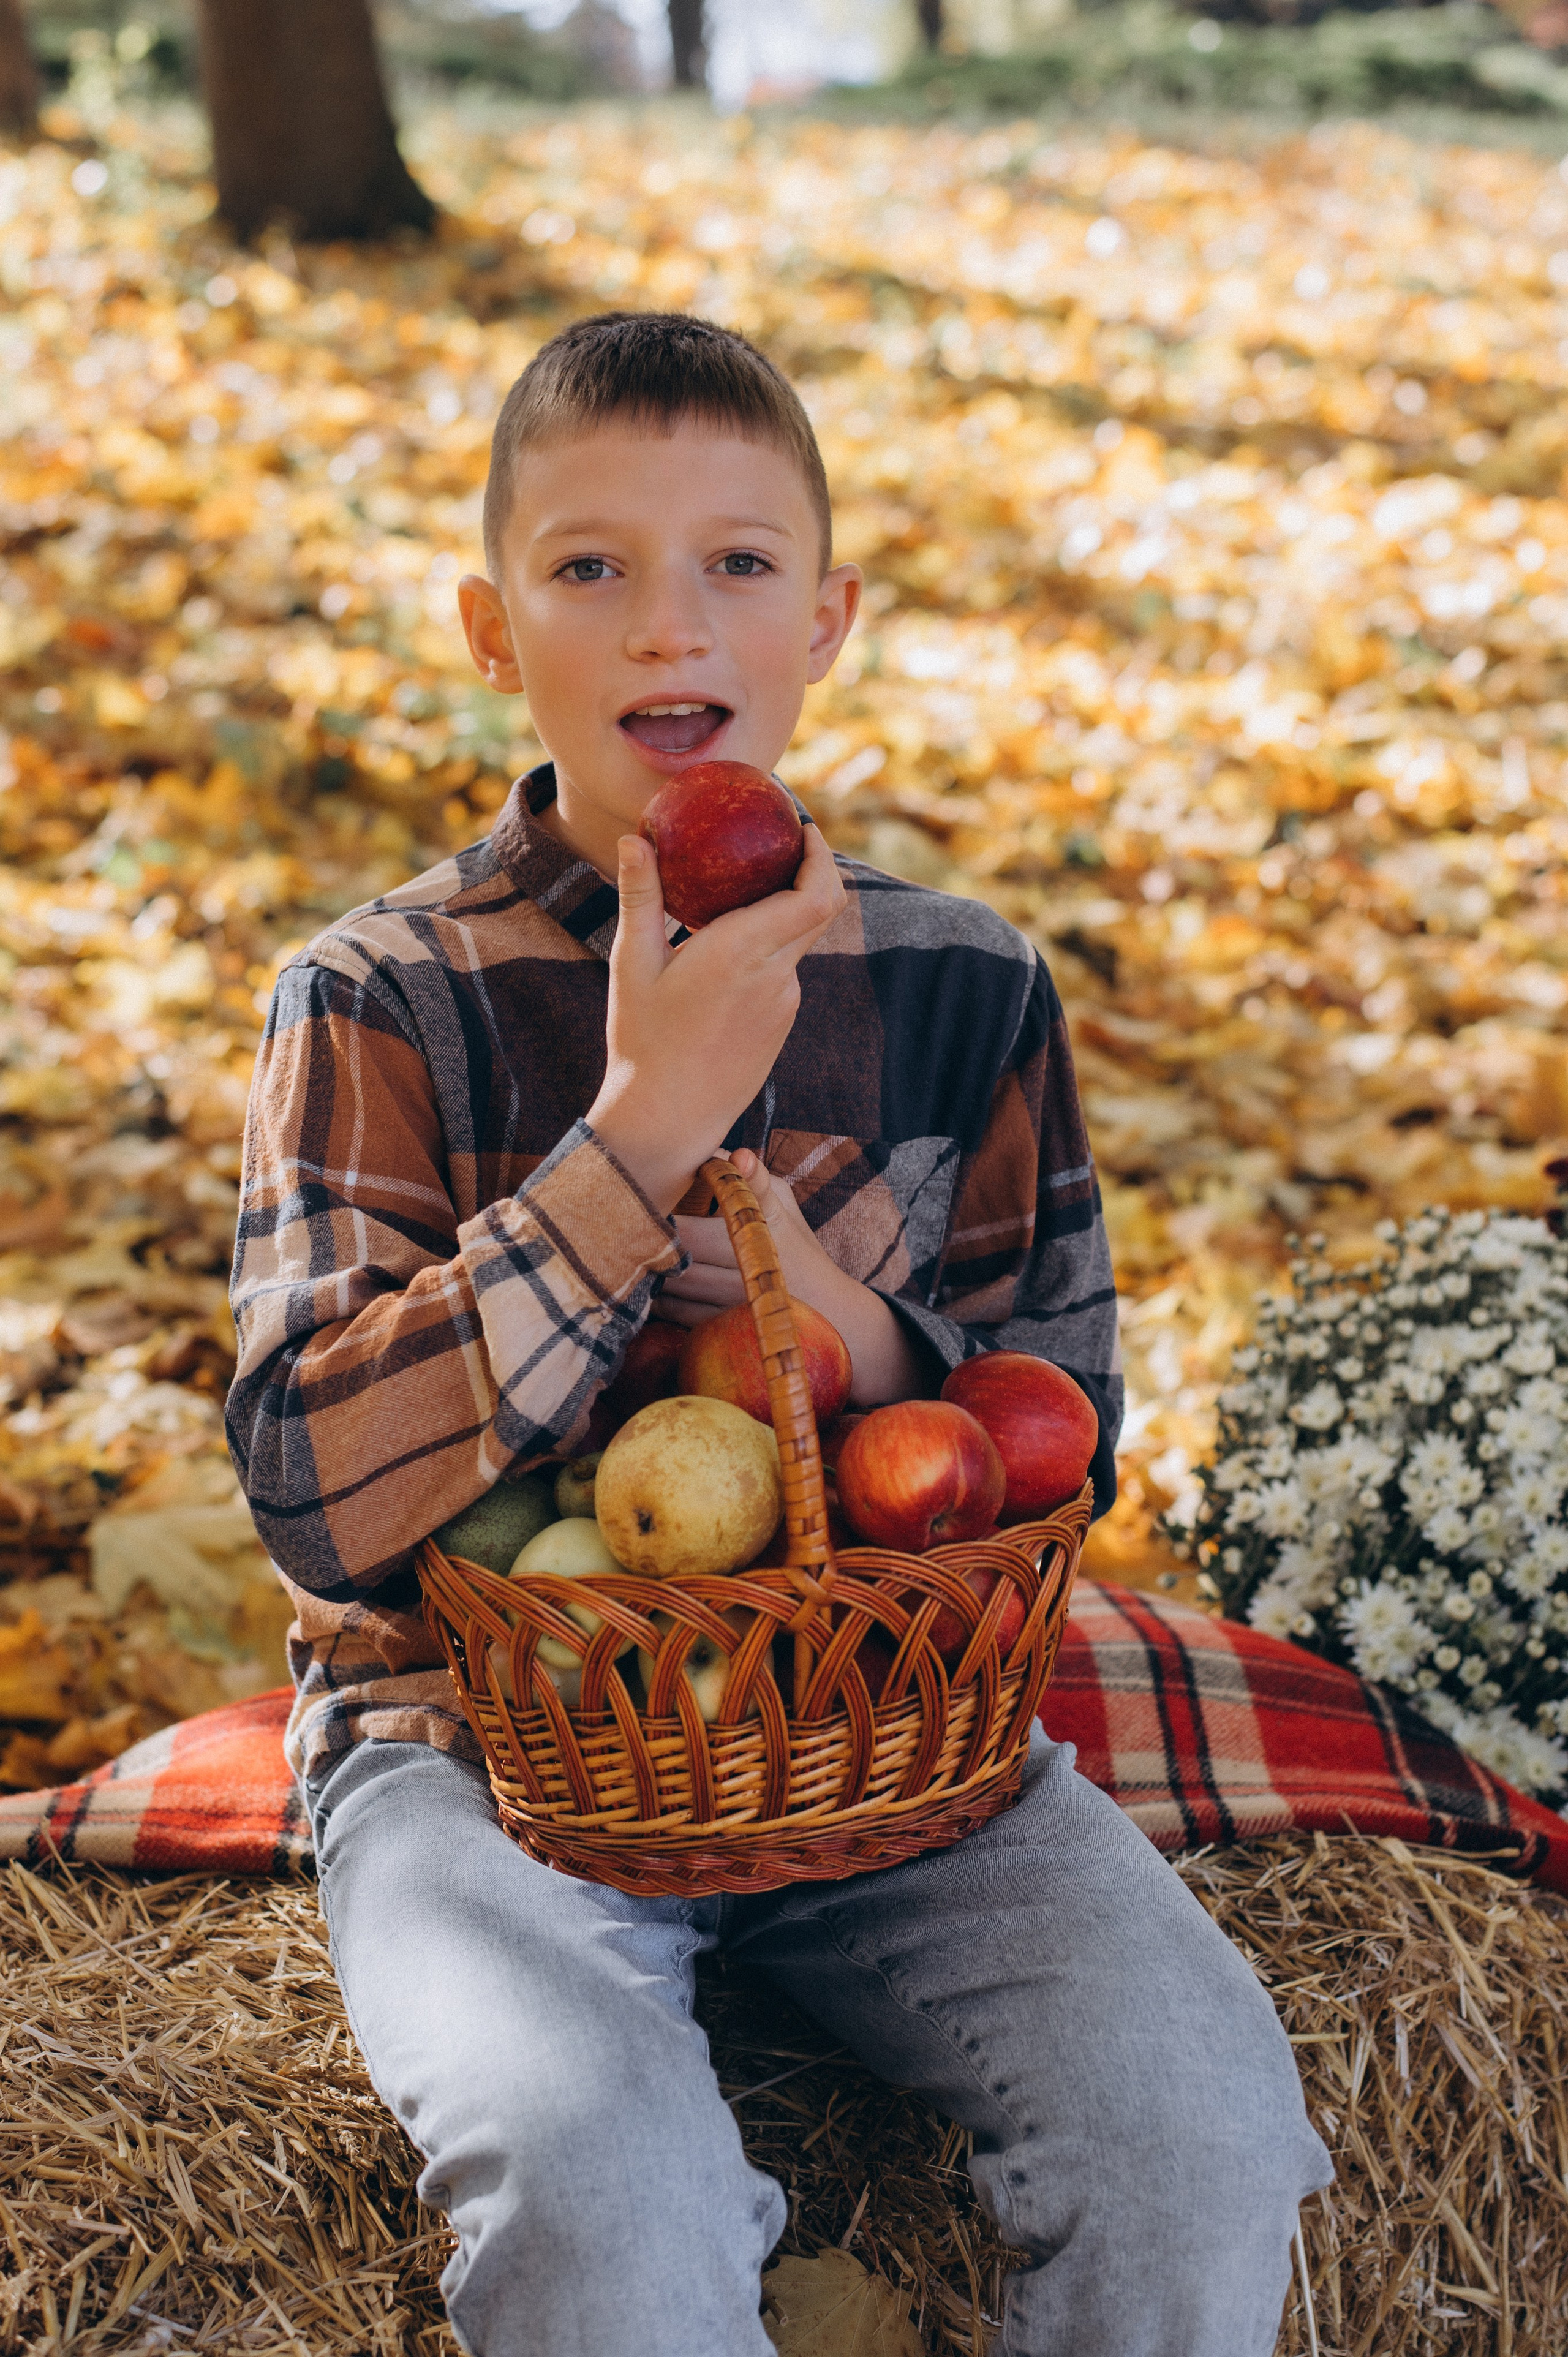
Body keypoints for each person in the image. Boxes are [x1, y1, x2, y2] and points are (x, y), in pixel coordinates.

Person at [227, 310, 1330, 2357]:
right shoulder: (376, 998)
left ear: (827, 621)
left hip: (885, 1734)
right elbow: (315, 1500)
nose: (673, 622)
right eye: (591, 567)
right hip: (487, 1760)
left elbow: (1064, 1435)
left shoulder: (960, 982)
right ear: (490, 628)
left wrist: (832, 1325)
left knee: (1202, 2127)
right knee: (602, 2195)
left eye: (739, 563)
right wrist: (637, 1140)